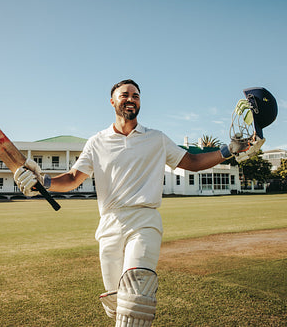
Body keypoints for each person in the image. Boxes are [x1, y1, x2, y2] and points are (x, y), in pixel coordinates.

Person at [13, 79, 263, 326]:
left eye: (136, 95)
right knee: (117, 305)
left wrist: (228, 150)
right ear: (112, 101)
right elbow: (72, 179)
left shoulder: (156, 138)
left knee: (136, 296)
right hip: (109, 224)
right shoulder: (97, 142)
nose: (131, 99)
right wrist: (43, 181)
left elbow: (193, 163)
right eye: (125, 95)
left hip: (145, 221)